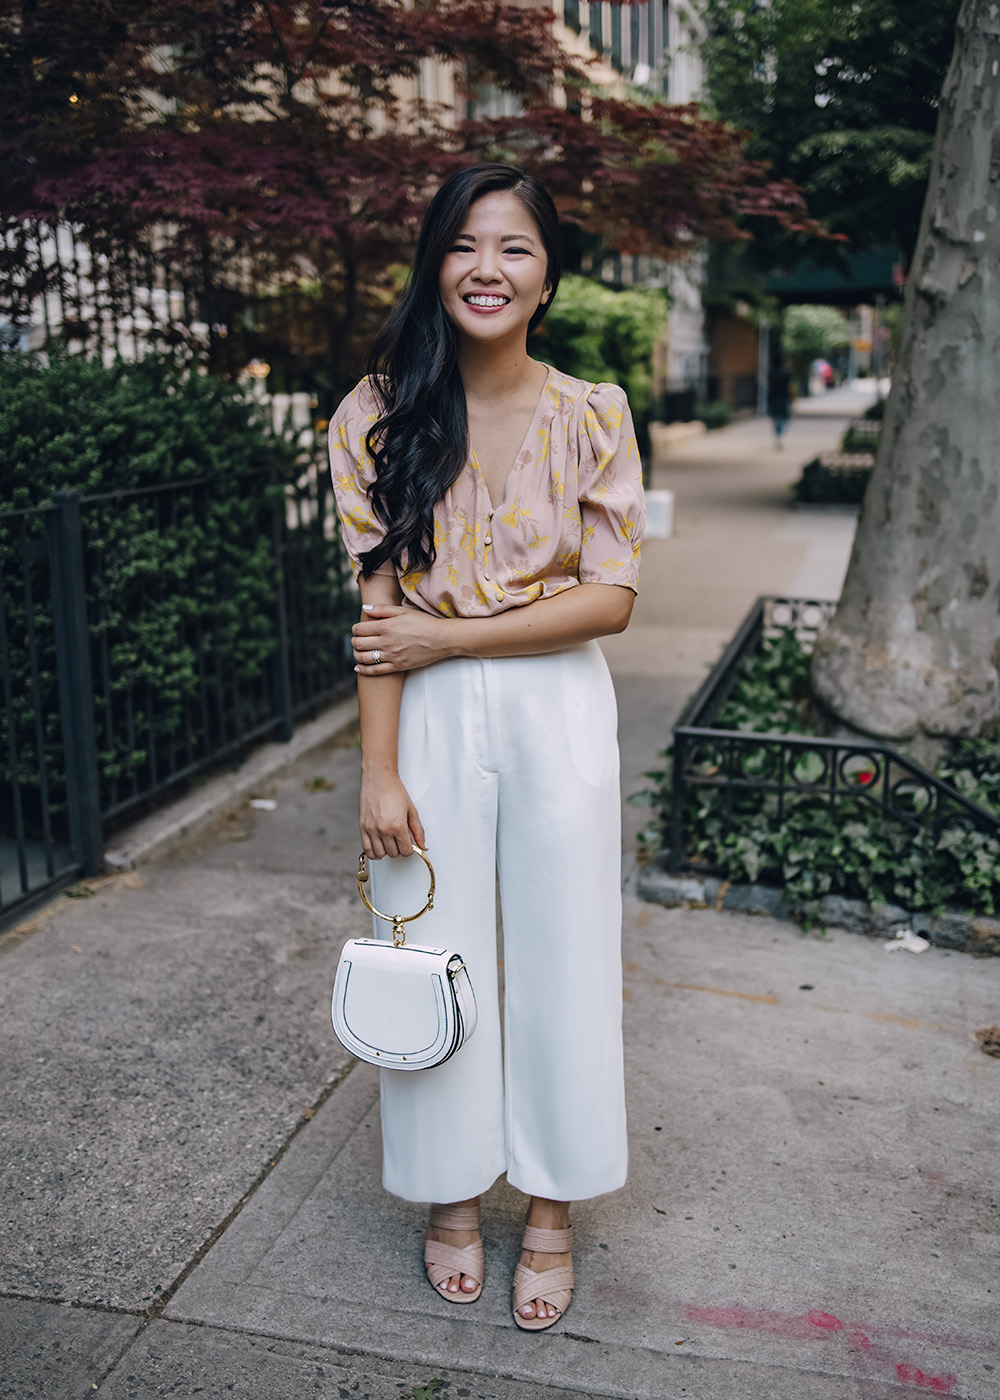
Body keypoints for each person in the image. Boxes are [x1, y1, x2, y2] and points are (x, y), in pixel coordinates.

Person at [329, 163, 645, 1333]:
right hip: (424, 715)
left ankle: (552, 1206)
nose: (486, 270)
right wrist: (377, 768)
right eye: (464, 245)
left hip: (557, 704)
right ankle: (450, 1196)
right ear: (434, 261)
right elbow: (376, 625)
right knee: (427, 951)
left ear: (547, 275)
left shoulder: (592, 411)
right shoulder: (374, 413)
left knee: (567, 958)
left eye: (513, 248)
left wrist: (446, 631)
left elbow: (610, 599)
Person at [767, 353, 792, 448]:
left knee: (775, 417)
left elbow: (769, 387)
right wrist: (791, 398)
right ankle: (780, 433)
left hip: (774, 397)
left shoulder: (771, 373)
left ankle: (778, 433)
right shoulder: (785, 373)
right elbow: (789, 386)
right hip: (783, 397)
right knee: (784, 417)